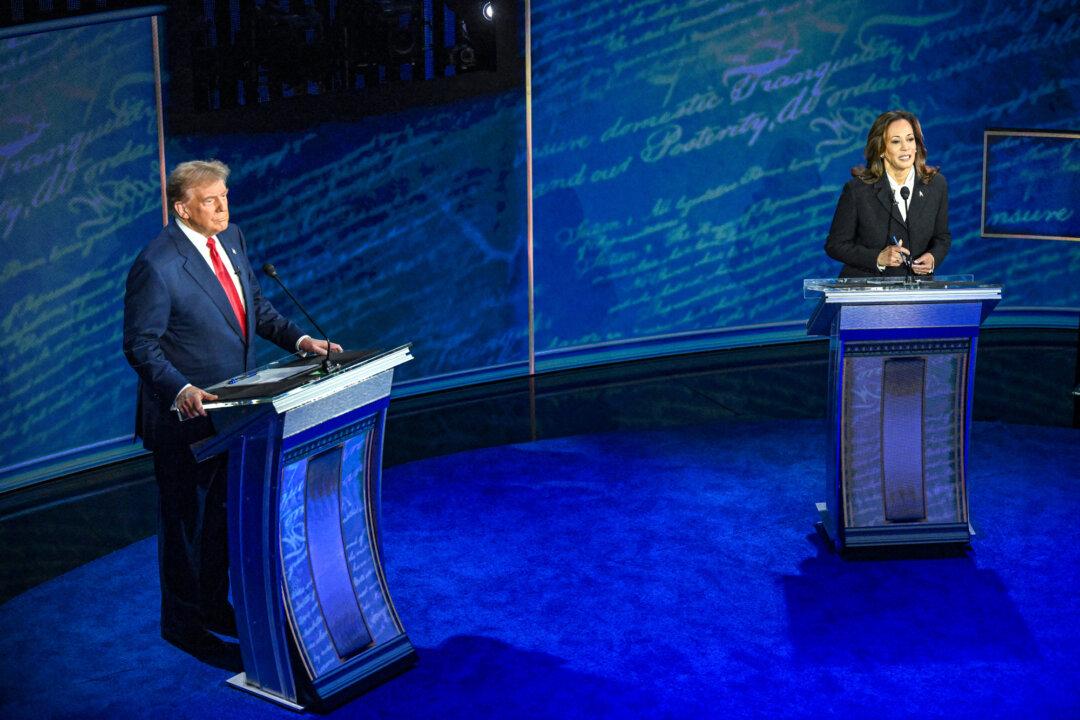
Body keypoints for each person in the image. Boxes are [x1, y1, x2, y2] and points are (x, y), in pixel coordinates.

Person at [122, 160, 341, 668]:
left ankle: (215, 607)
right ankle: (183, 625)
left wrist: (302, 340)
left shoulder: (233, 238)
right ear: (183, 208)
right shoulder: (156, 264)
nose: (223, 207)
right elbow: (141, 344)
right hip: (186, 420)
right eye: (210, 200)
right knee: (187, 526)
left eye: (224, 196)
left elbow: (255, 309)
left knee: (222, 519)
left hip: (238, 415)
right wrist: (181, 389)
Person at [825, 110, 951, 278]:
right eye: (896, 141)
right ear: (882, 149)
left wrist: (933, 258)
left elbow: (942, 237)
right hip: (867, 292)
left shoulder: (936, 185)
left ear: (917, 145)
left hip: (917, 293)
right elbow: (835, 245)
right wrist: (877, 258)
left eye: (910, 139)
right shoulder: (857, 190)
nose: (905, 147)